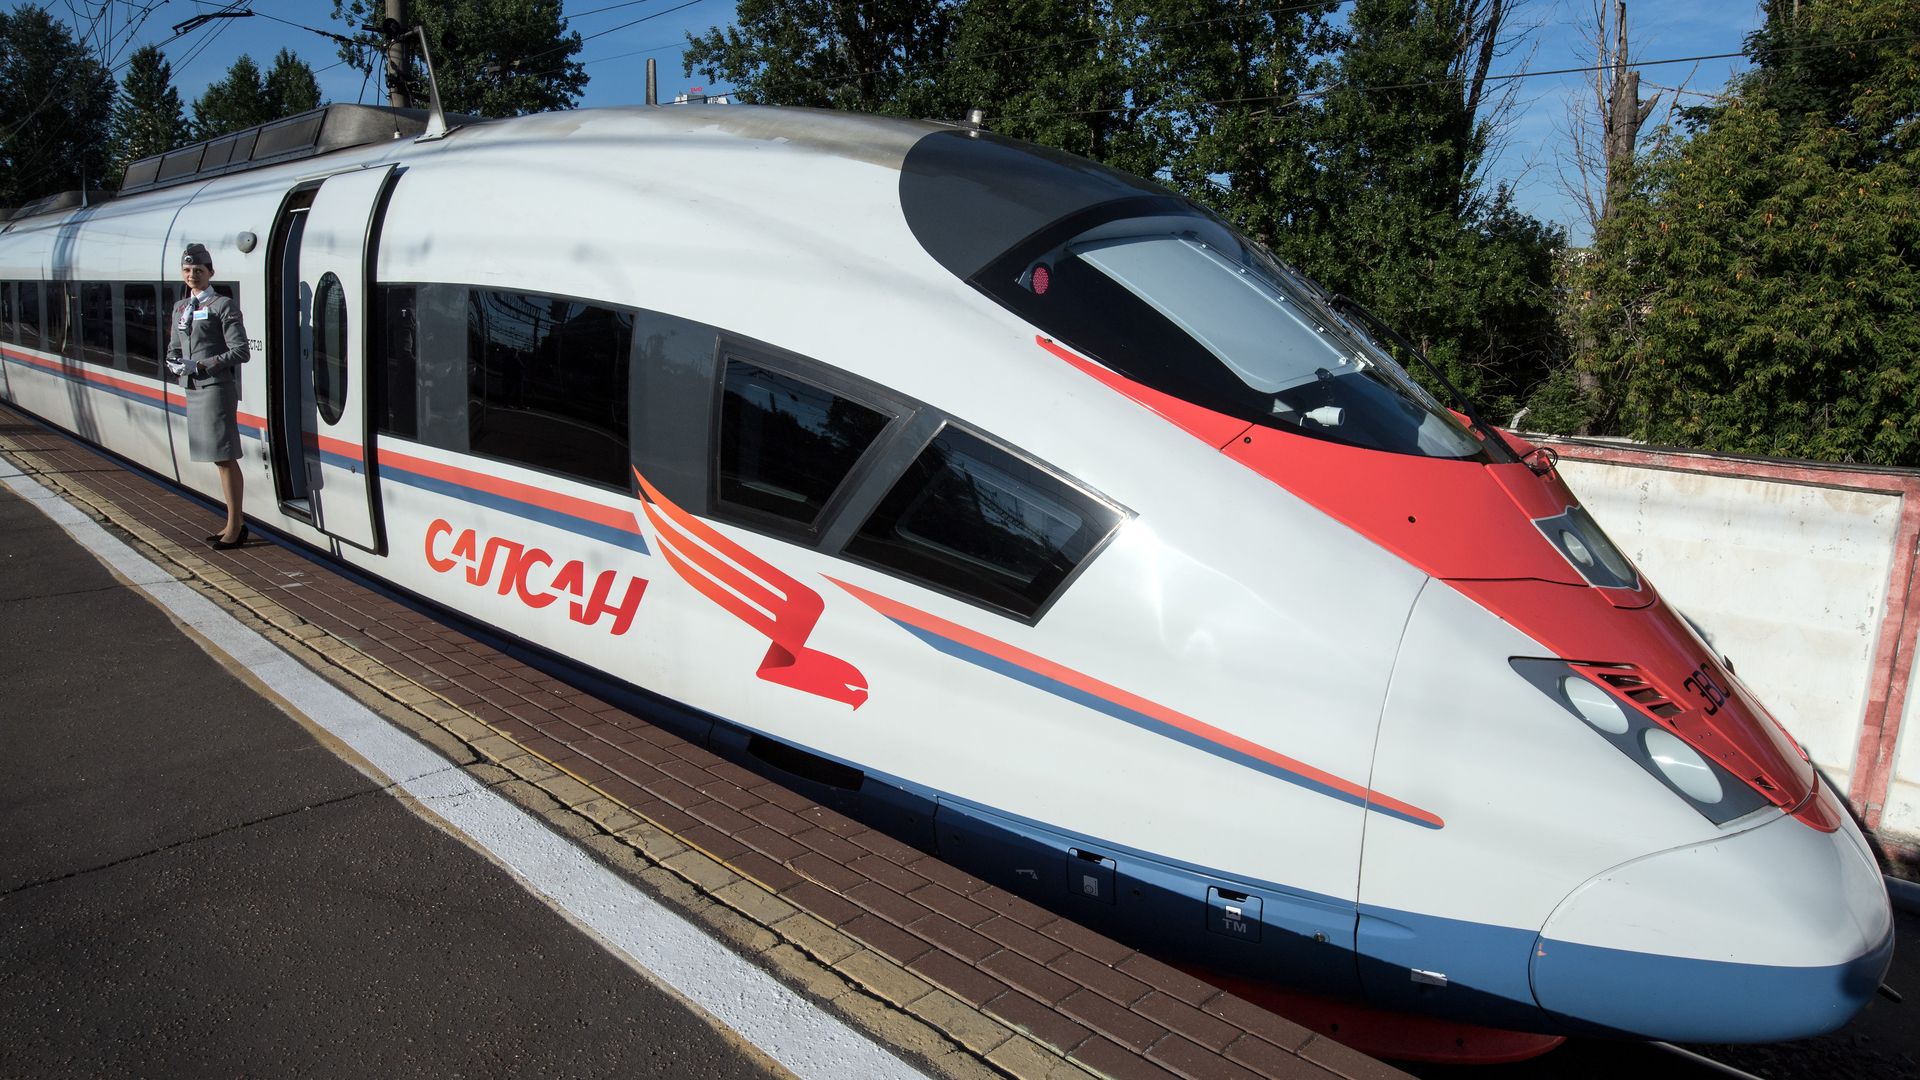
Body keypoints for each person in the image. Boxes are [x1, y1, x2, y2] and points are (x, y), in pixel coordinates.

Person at [168, 243, 250, 549]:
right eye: (187, 270)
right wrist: (174, 362)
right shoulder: (180, 308)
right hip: (192, 388)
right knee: (218, 458)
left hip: (216, 388)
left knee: (225, 456)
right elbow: (175, 347)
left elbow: (240, 351)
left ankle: (236, 525)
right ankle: (232, 520)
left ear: (210, 272)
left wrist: (202, 364)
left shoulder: (222, 305)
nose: (192, 275)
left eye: (198, 271)